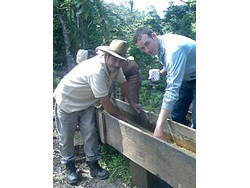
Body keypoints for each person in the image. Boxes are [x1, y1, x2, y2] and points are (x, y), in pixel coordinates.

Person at [53, 39, 142, 185]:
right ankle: (70, 166)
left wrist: (132, 103)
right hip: (68, 102)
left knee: (90, 133)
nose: (117, 64)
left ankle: (93, 165)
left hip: (86, 102)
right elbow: (105, 101)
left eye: (121, 61)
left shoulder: (116, 66)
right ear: (106, 55)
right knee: (66, 136)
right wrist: (121, 118)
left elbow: (123, 83)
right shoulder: (96, 71)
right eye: (114, 60)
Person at [133, 27, 196, 139]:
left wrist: (159, 126)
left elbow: (172, 89)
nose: (147, 50)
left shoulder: (173, 49)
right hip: (187, 78)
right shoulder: (158, 47)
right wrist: (161, 73)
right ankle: (181, 144)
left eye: (147, 44)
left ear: (154, 35)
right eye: (142, 48)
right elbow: (171, 66)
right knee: (177, 114)